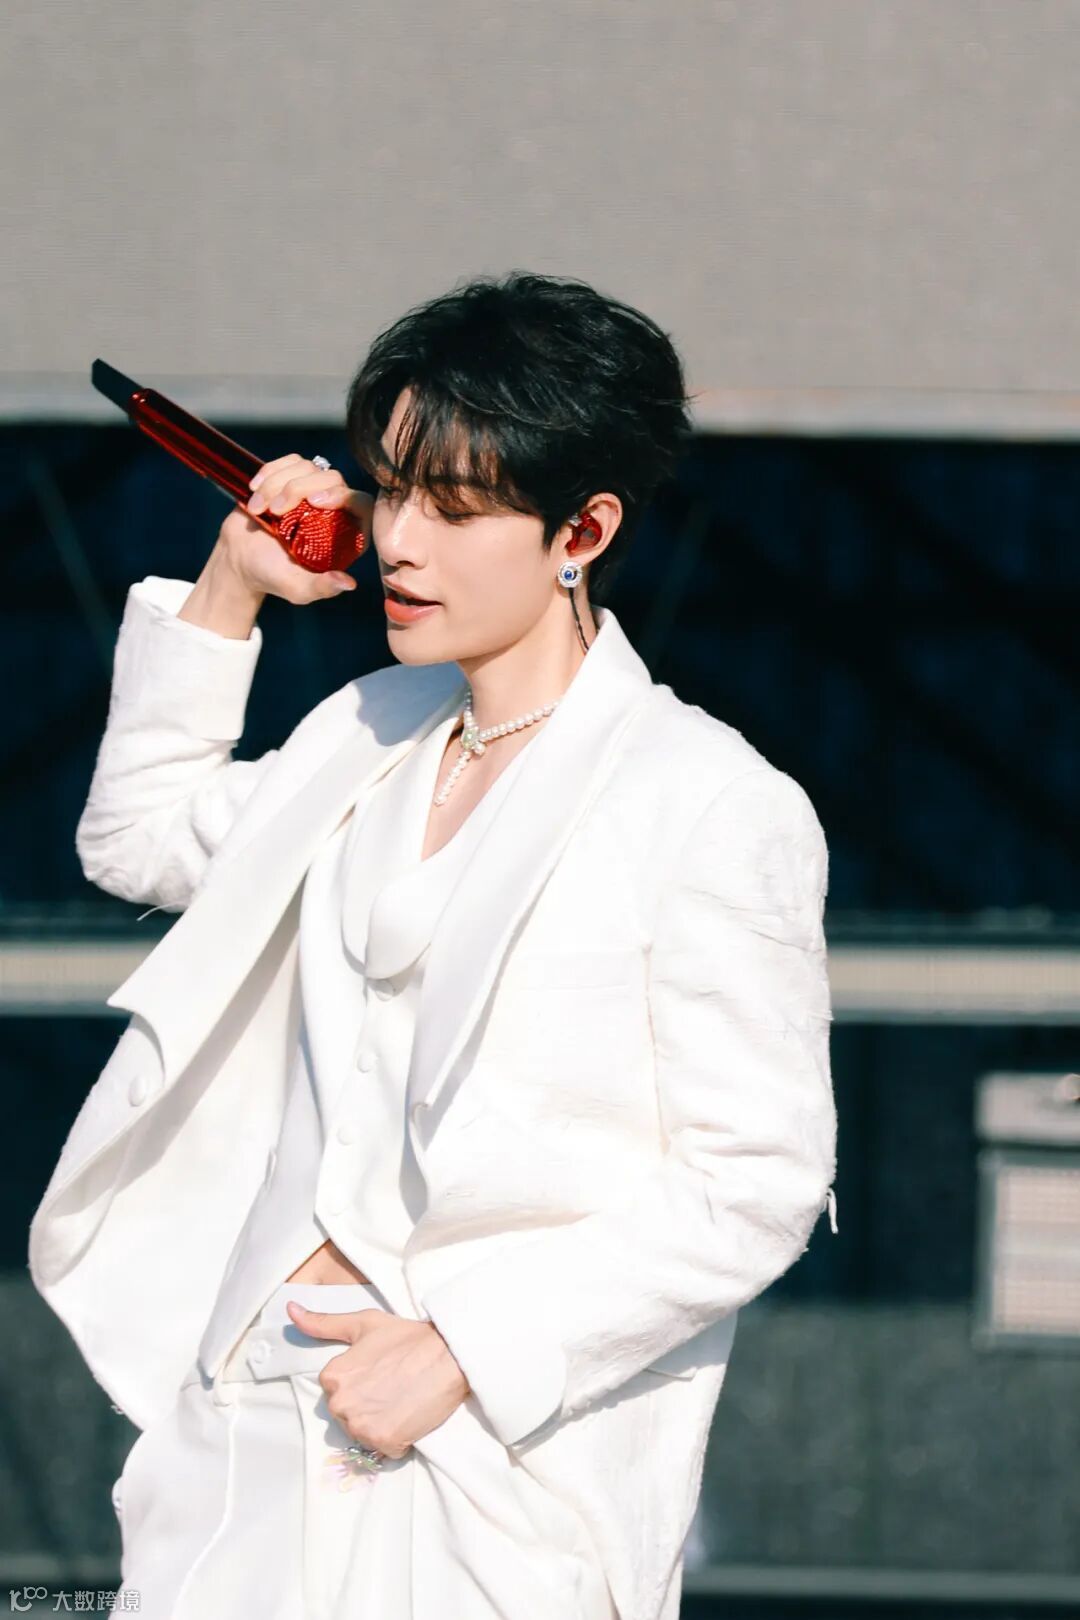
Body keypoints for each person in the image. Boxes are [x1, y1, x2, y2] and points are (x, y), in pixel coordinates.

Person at [29, 270, 838, 1620]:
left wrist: (466, 1348)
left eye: (455, 509)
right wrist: (231, 583)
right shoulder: (367, 733)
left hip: (490, 1472)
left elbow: (755, 1181)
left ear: (583, 529)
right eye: (391, 490)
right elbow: (138, 840)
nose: (400, 542)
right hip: (251, 1433)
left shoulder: (705, 799)